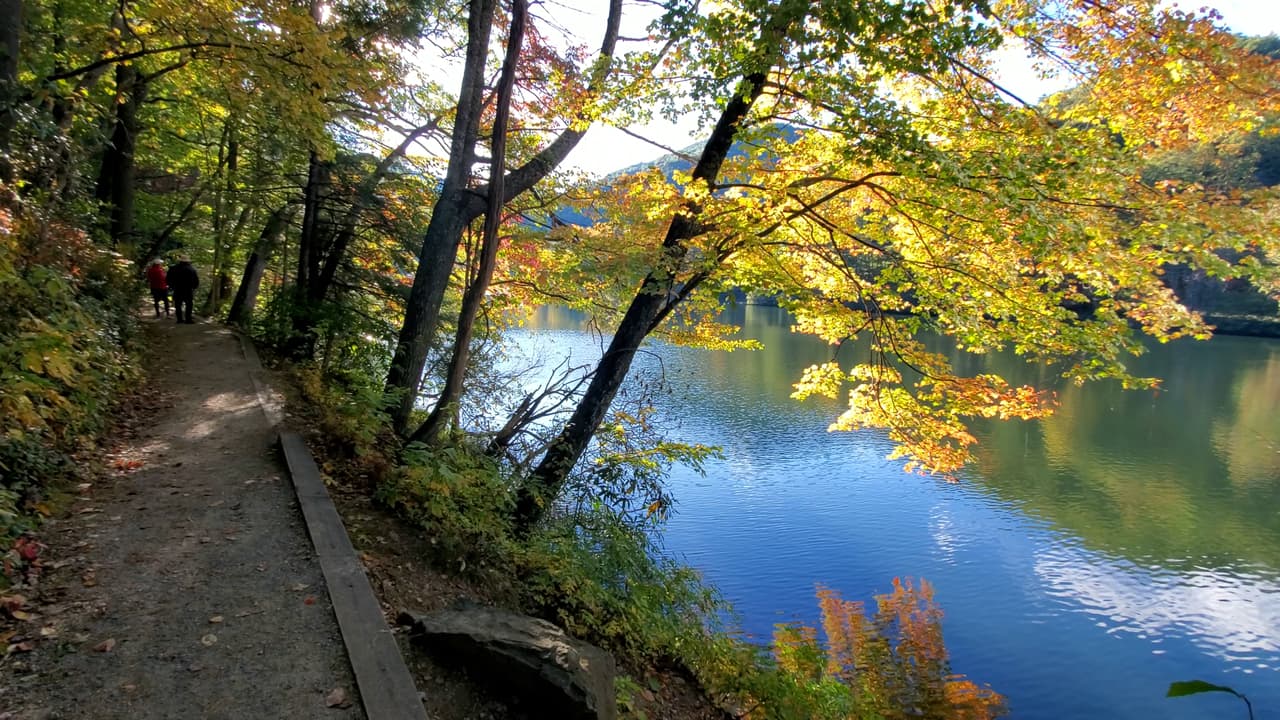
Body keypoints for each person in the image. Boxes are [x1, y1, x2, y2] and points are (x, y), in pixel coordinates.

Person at [166, 255, 199, 324]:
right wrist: (194, 287)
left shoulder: (173, 268)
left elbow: (168, 279)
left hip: (177, 289)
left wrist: (171, 286)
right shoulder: (191, 269)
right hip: (188, 290)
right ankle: (188, 319)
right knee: (189, 305)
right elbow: (196, 281)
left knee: (178, 304)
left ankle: (179, 319)